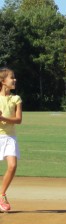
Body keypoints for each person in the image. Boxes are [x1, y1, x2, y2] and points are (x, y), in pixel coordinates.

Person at [0, 68, 22, 212]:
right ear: (2, 81)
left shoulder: (16, 98)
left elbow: (18, 120)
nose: (14, 80)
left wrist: (3, 118)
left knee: (12, 165)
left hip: (9, 137)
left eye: (14, 77)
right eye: (11, 78)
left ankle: (2, 195)